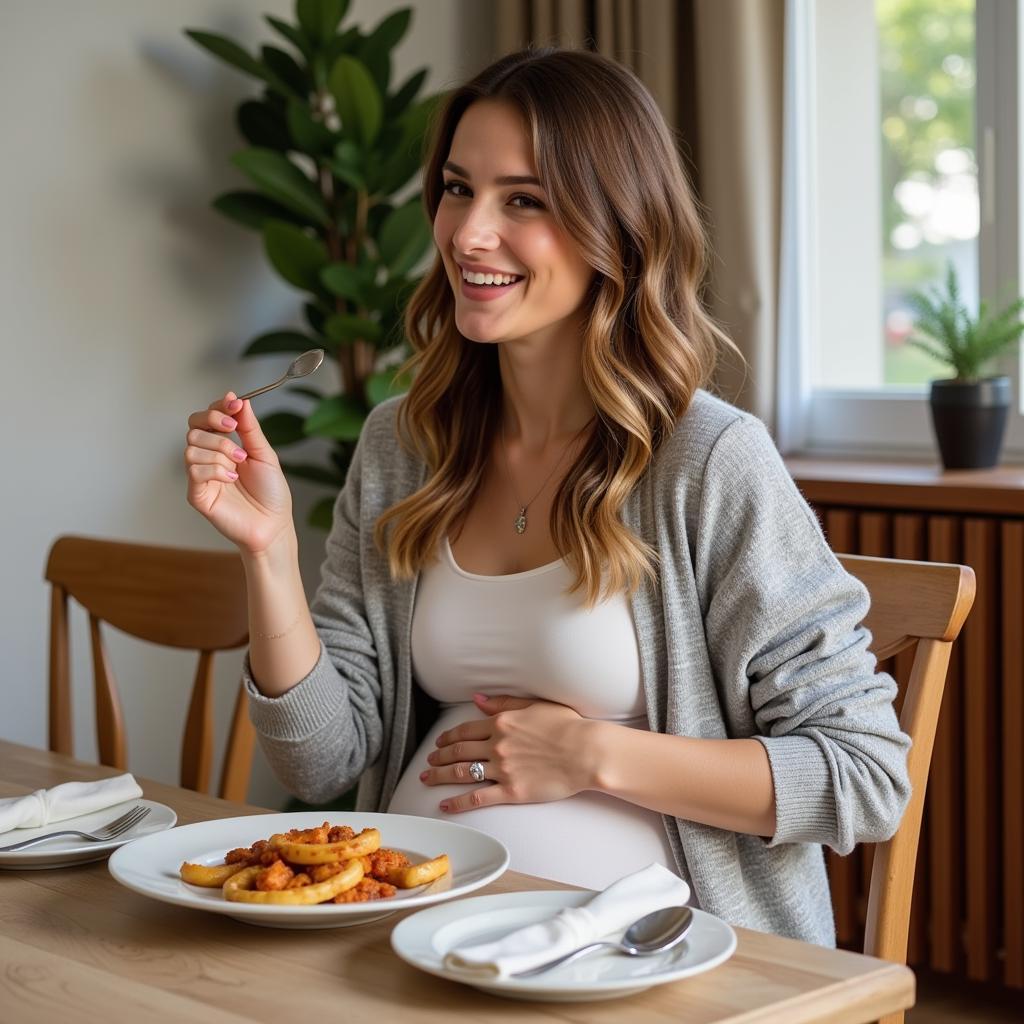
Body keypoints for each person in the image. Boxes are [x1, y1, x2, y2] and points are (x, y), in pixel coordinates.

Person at [183, 46, 910, 946]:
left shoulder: (708, 461)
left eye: (522, 200)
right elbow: (318, 756)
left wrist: (593, 755)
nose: (467, 232)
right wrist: (271, 553)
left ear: (617, 225)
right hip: (408, 940)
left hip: (656, 966)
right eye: (457, 189)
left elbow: (864, 775)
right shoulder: (404, 445)